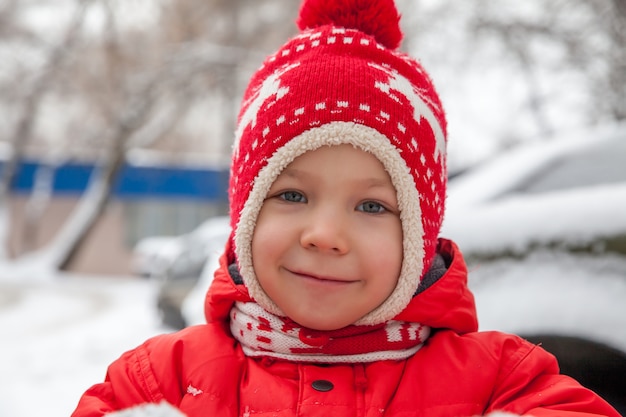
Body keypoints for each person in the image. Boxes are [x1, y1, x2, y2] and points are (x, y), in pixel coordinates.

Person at [71, 0, 620, 416]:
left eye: (373, 206)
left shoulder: (501, 382)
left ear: (419, 237)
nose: (326, 234)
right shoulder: (163, 383)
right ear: (245, 216)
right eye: (291, 195)